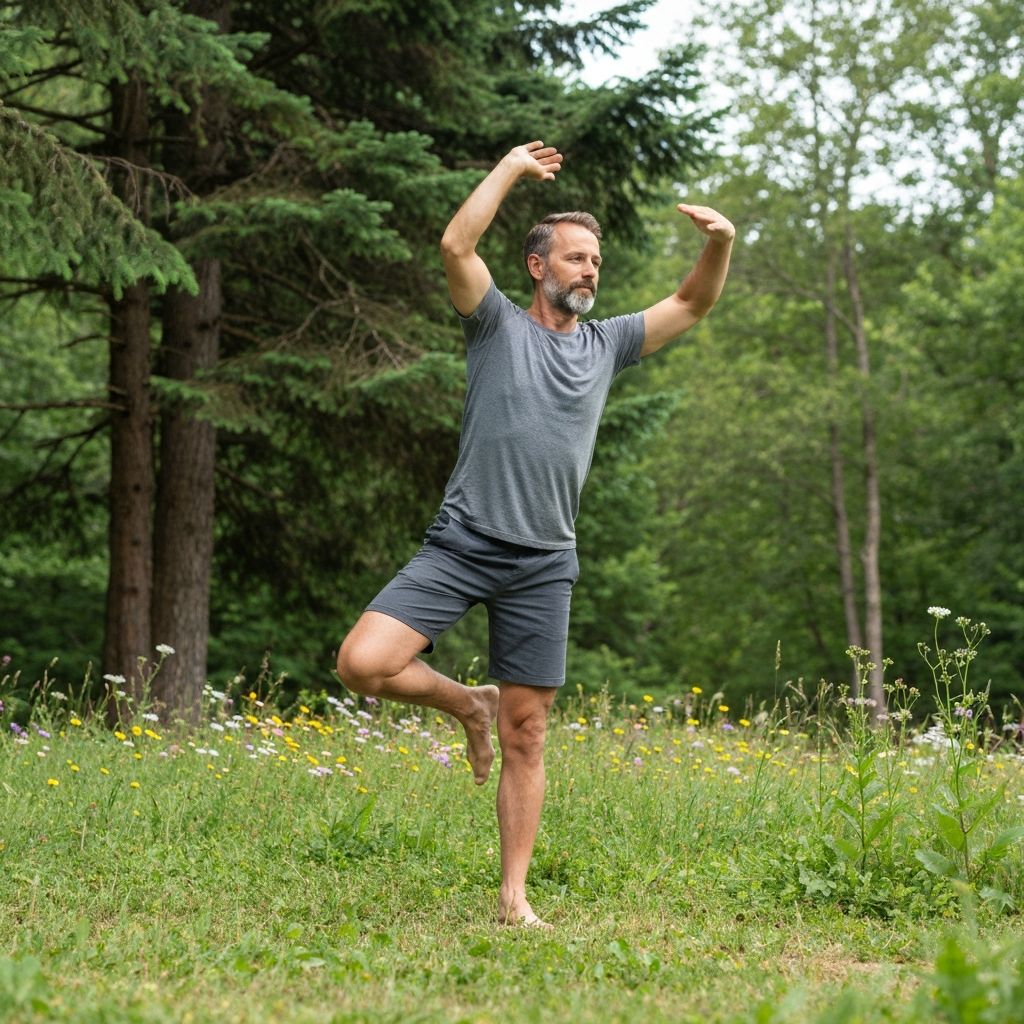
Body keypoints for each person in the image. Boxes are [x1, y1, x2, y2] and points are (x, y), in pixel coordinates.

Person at [337, 140, 734, 927]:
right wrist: (513, 170)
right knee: (362, 663)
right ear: (537, 266)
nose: (590, 270)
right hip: (463, 540)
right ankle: (463, 703)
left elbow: (690, 304)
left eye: (596, 261)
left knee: (530, 732)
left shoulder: (607, 343)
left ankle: (513, 897)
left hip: (545, 561)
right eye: (576, 258)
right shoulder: (492, 325)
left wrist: (718, 244)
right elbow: (456, 244)